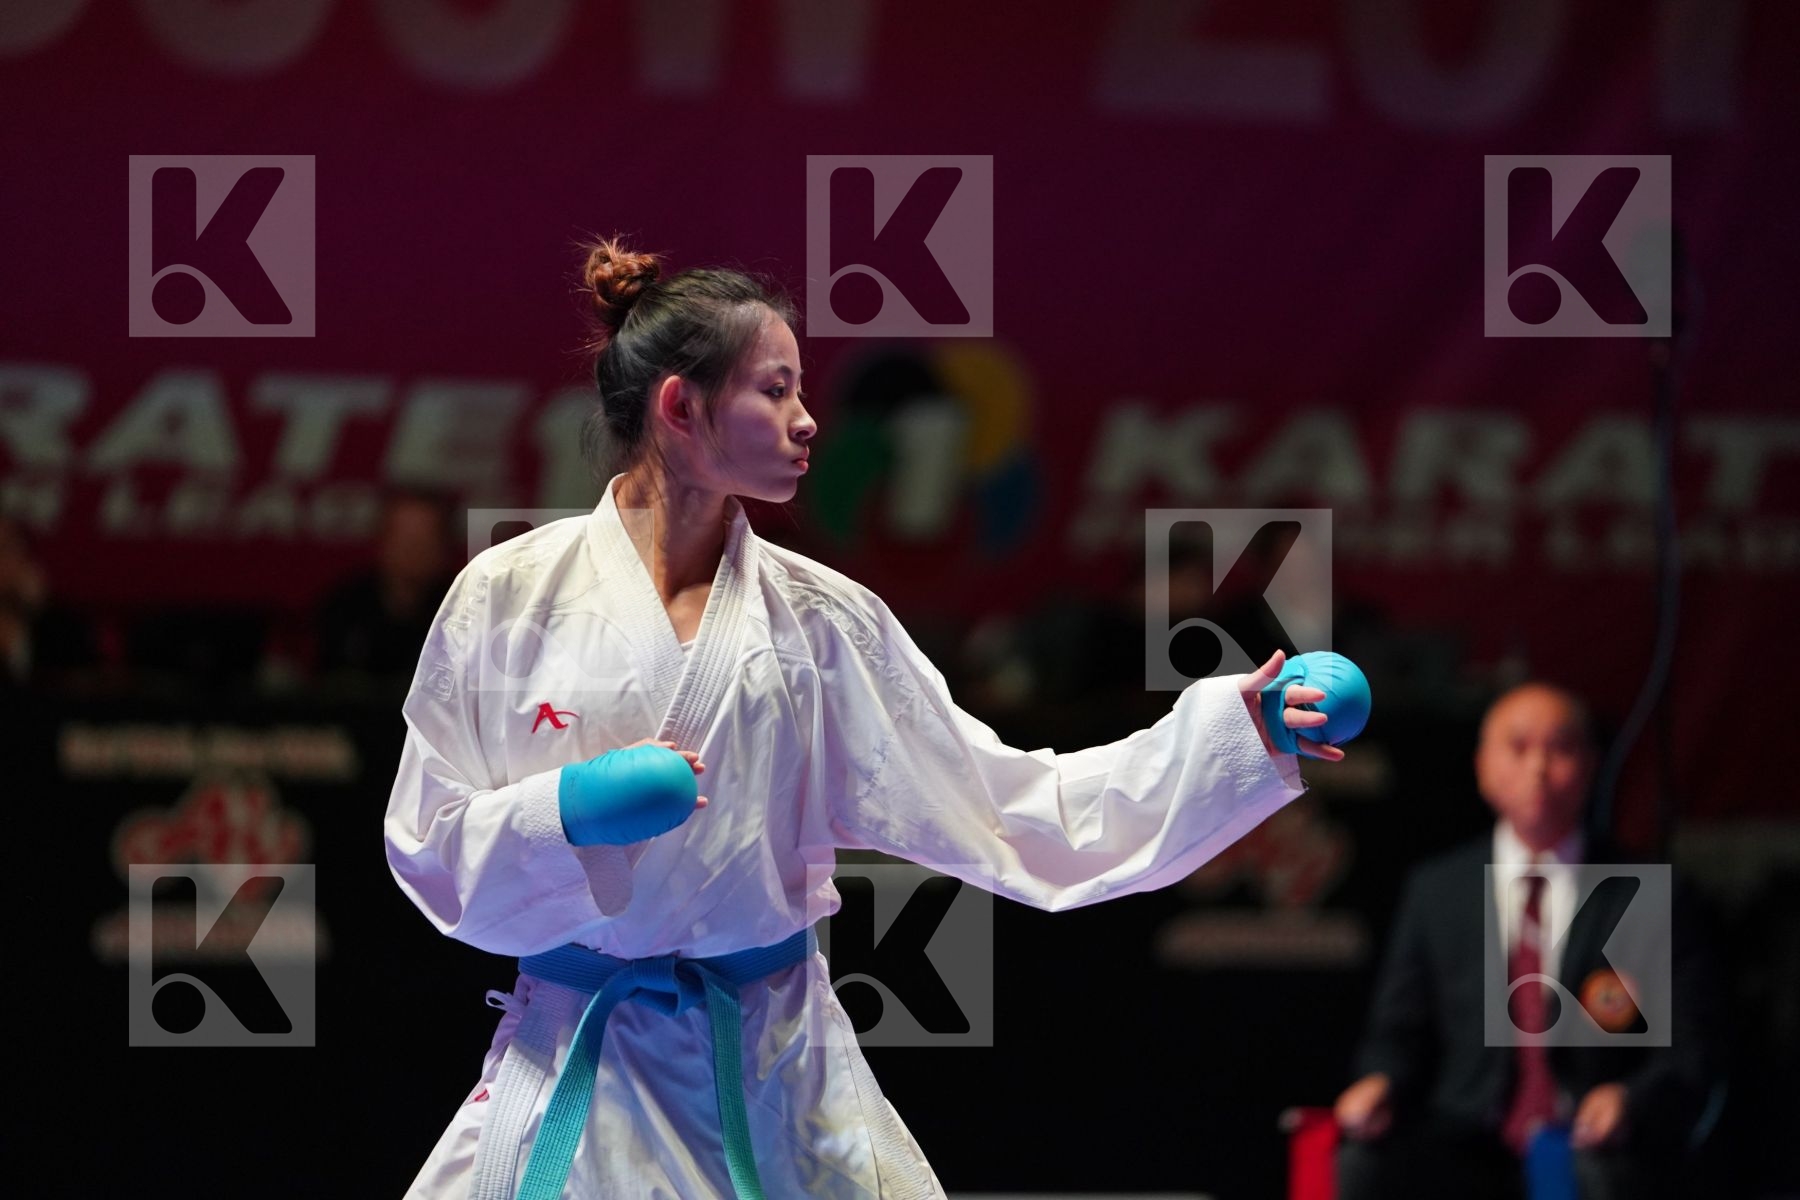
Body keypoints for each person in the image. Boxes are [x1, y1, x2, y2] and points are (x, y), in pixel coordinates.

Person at [385, 237, 1351, 1199]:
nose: (809, 422)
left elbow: (1014, 806)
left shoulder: (821, 624)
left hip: (771, 1072)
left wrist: (1237, 737)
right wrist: (566, 814)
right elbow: (427, 846)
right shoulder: (508, 597)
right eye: (775, 390)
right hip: (573, 1066)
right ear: (682, 406)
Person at [1332, 682, 1725, 1200]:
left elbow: (1691, 1047)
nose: (1538, 767)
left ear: (1589, 765)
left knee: (1603, 1175)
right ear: (1483, 767)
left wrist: (1629, 1098)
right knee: (1364, 1163)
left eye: (1560, 748)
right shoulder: (1439, 890)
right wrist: (1378, 1081)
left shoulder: (1644, 890)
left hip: (1591, 1138)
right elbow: (1398, 1032)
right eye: (1518, 748)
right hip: (1466, 1138)